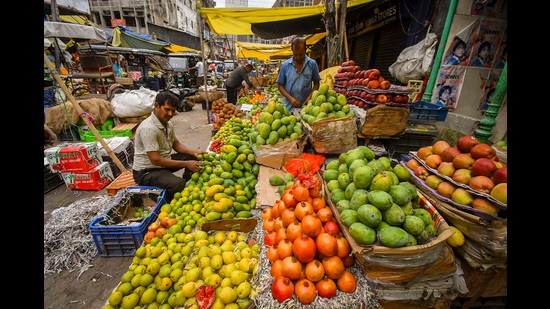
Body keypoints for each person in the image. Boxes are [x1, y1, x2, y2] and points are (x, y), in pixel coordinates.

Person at [132, 91, 206, 199]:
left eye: (173, 110)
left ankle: (189, 185)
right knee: (177, 183)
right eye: (167, 109)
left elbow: (176, 144)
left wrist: (194, 152)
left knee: (194, 158)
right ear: (156, 106)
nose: (170, 114)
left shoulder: (167, 124)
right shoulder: (148, 128)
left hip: (163, 162)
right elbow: (155, 160)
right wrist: (186, 164)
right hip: (147, 171)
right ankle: (170, 201)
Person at [276, 36, 321, 112]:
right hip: (288, 109)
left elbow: (317, 83)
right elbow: (280, 86)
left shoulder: (312, 64)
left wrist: (309, 97)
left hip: (306, 109)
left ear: (305, 50)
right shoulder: (286, 65)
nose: (298, 57)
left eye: (300, 54)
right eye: (295, 54)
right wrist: (290, 98)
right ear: (292, 50)